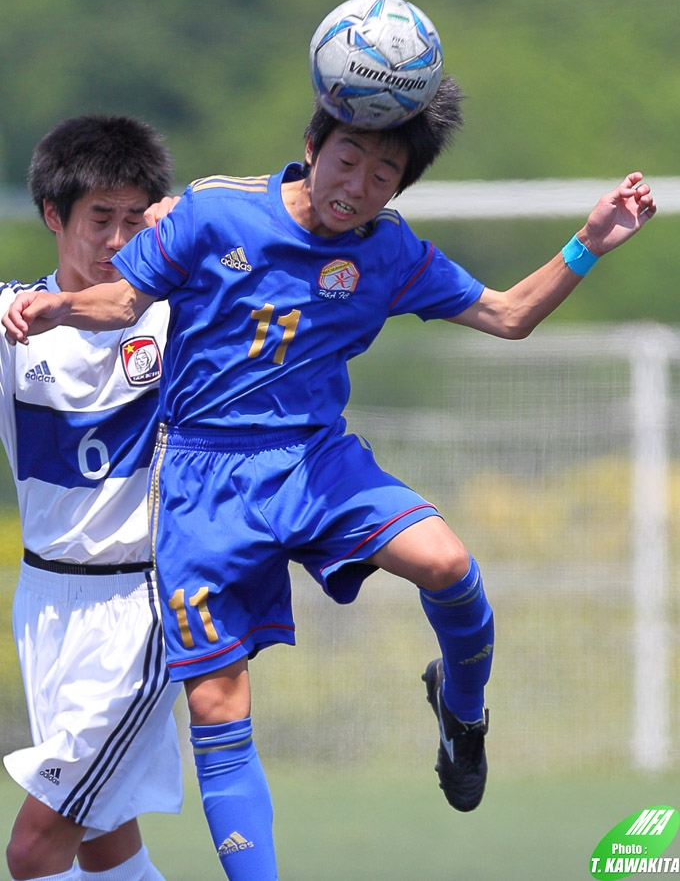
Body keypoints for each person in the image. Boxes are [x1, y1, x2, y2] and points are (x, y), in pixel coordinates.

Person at [3, 81, 656, 881]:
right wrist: (53, 309)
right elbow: (119, 295)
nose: (359, 185)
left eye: (385, 174)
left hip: (314, 461)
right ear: (313, 147)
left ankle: (462, 709)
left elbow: (509, 314)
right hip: (201, 488)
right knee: (185, 747)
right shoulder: (215, 214)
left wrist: (590, 240)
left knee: (448, 563)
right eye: (349, 159)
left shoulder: (388, 252)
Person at [0, 115, 183, 881]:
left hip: (137, 606)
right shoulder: (12, 321)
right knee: (108, 845)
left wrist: (187, 213)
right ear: (53, 215)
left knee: (33, 852)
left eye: (133, 218)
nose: (116, 239)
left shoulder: (177, 317)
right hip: (43, 601)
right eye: (98, 218)